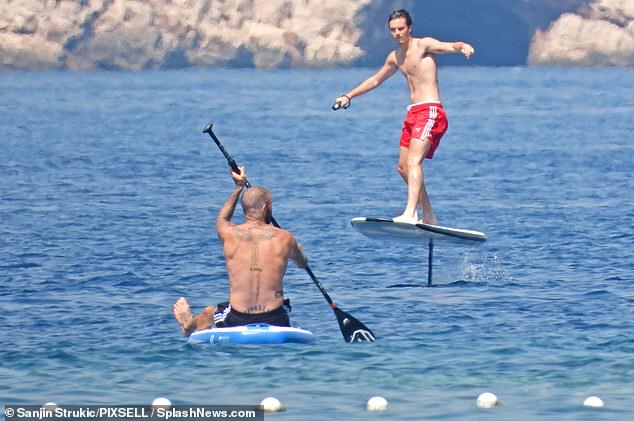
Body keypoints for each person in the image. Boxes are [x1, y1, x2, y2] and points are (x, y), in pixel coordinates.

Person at [333, 9, 474, 225]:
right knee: (403, 167)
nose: (397, 33)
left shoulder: (423, 45)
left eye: (401, 29)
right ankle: (428, 215)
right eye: (393, 30)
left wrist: (462, 46)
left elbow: (449, 46)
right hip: (413, 113)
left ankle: (410, 213)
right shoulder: (396, 57)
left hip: (430, 111)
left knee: (414, 161)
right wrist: (348, 95)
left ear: (410, 28)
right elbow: (375, 80)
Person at [173, 166, 308, 336]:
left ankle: (189, 325)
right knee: (283, 306)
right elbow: (303, 263)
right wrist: (298, 250)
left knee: (209, 313)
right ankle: (188, 324)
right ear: (265, 207)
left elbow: (222, 218)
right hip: (276, 318)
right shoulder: (285, 238)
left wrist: (238, 187)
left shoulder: (229, 233)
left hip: (238, 318)